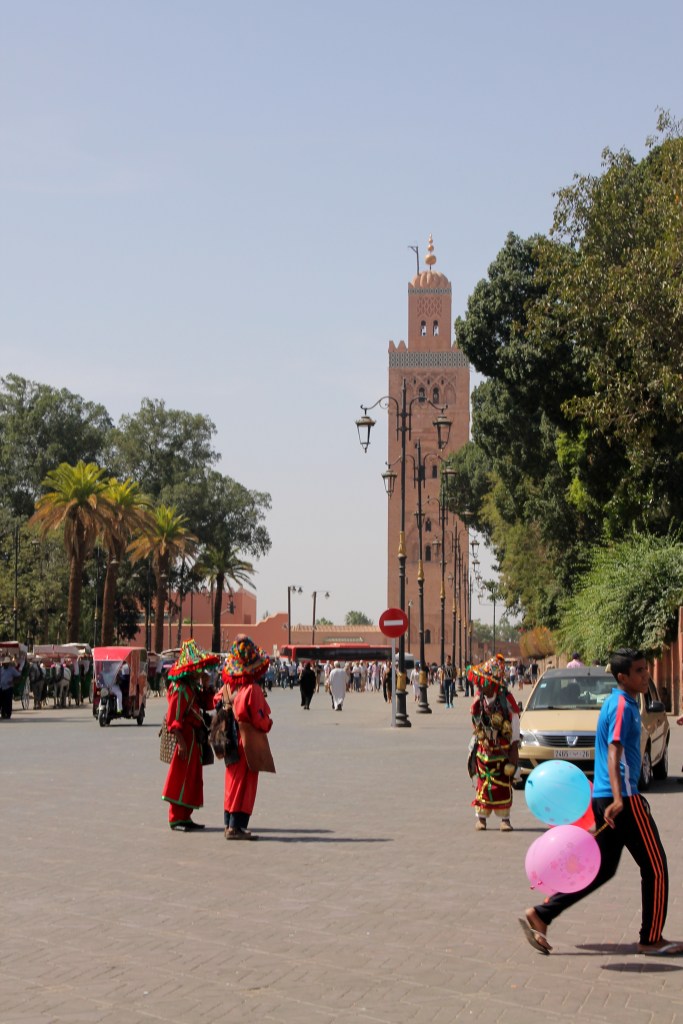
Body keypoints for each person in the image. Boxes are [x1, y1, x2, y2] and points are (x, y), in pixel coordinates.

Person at [520, 648, 683, 957]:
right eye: (638, 671)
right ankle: (651, 938)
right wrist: (623, 798)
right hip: (620, 798)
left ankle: (541, 915)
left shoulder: (617, 702)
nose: (645, 675)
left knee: (601, 869)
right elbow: (614, 751)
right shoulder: (621, 705)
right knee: (656, 867)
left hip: (606, 796)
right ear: (622, 677)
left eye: (646, 669)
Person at [218, 634, 274, 840]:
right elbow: (260, 718)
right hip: (245, 741)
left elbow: (217, 702)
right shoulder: (252, 690)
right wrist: (267, 723)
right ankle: (236, 827)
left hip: (228, 739)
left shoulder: (227, 687)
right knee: (245, 784)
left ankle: (228, 824)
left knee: (231, 782)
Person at [162, 639, 219, 832]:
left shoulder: (192, 687)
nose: (199, 671)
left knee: (192, 776)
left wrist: (206, 684)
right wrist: (181, 742)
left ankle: (185, 816)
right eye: (197, 668)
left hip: (194, 738)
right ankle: (175, 817)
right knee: (181, 776)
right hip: (185, 737)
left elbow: (207, 703)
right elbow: (173, 718)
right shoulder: (180, 689)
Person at [468, 653, 520, 832]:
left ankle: (505, 818)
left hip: (502, 748)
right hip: (485, 748)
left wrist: (514, 747)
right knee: (483, 781)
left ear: (493, 684)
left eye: (484, 683)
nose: (480, 686)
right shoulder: (479, 699)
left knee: (503, 782)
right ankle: (481, 817)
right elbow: (474, 720)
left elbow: (515, 721)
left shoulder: (506, 700)